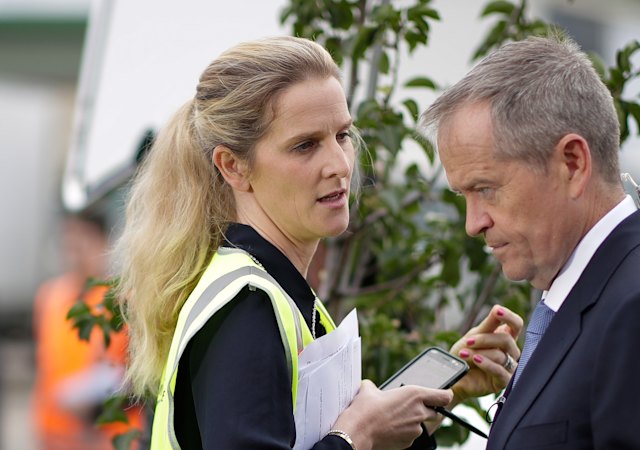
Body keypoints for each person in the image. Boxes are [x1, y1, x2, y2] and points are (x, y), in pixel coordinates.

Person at [114, 36, 522, 450]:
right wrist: (355, 435)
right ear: (233, 166)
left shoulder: (275, 294)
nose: (340, 165)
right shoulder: (246, 304)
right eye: (305, 145)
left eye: (342, 135)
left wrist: (439, 393)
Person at [422, 35, 640, 449]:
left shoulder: (631, 307)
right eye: (462, 195)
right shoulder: (588, 291)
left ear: (572, 163)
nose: (472, 224)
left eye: (485, 188)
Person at [33, 212, 143, 449]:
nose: (75, 252)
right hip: (57, 435)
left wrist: (94, 406)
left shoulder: (123, 301)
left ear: (103, 243)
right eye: (69, 242)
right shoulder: (51, 297)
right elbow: (46, 370)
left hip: (107, 438)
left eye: (83, 241)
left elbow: (141, 380)